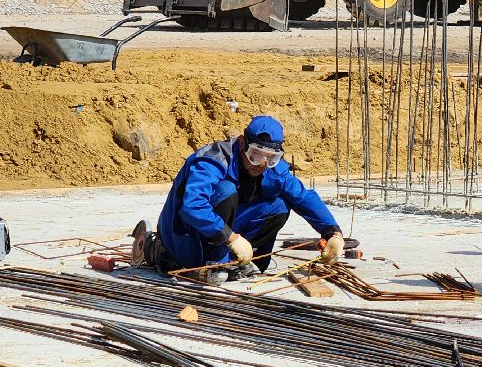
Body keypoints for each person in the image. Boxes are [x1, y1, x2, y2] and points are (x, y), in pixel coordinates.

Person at [133, 116, 344, 283]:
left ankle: (243, 261)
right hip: (184, 235)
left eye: (270, 158)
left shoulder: (271, 168)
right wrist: (231, 238)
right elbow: (193, 206)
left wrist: (332, 232)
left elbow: (302, 196)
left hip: (224, 235)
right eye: (255, 155)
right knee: (225, 190)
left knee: (279, 206)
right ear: (242, 142)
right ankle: (175, 253)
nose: (260, 164)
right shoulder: (213, 160)